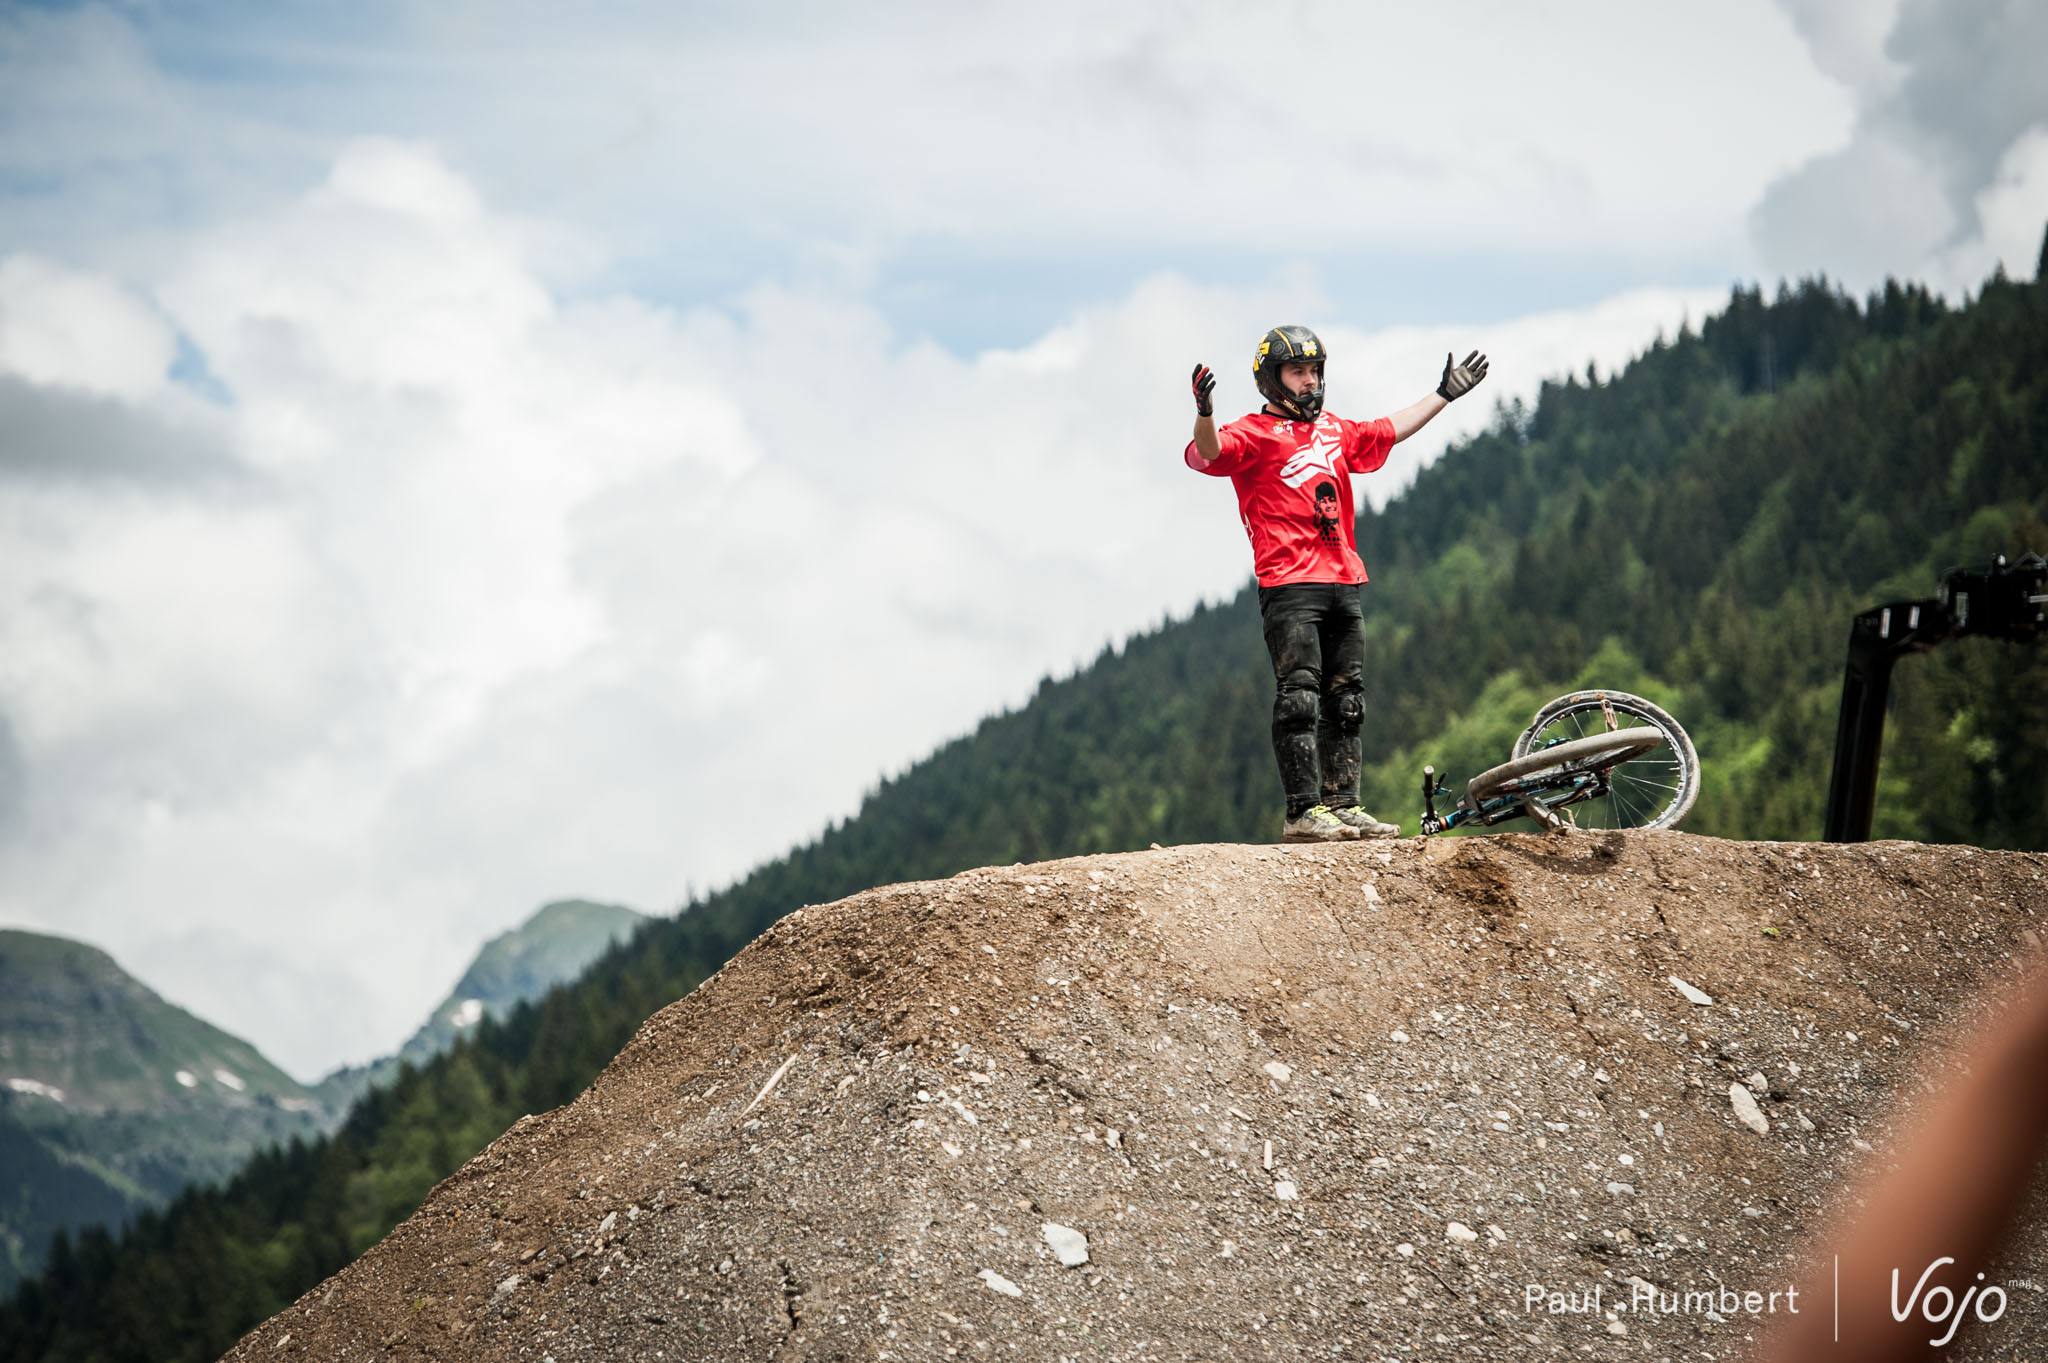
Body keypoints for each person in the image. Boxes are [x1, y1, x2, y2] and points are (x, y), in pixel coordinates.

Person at [1186, 325, 1488, 843]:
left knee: (1347, 700)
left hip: (1343, 577)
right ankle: (1303, 812)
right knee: (1299, 696)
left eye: (1314, 371)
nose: (1309, 381)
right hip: (1288, 583)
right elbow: (1209, 452)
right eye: (1298, 372)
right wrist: (1205, 411)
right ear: (1272, 379)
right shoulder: (1252, 434)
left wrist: (1442, 395)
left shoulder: (1334, 430)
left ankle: (1343, 806)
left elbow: (1388, 429)